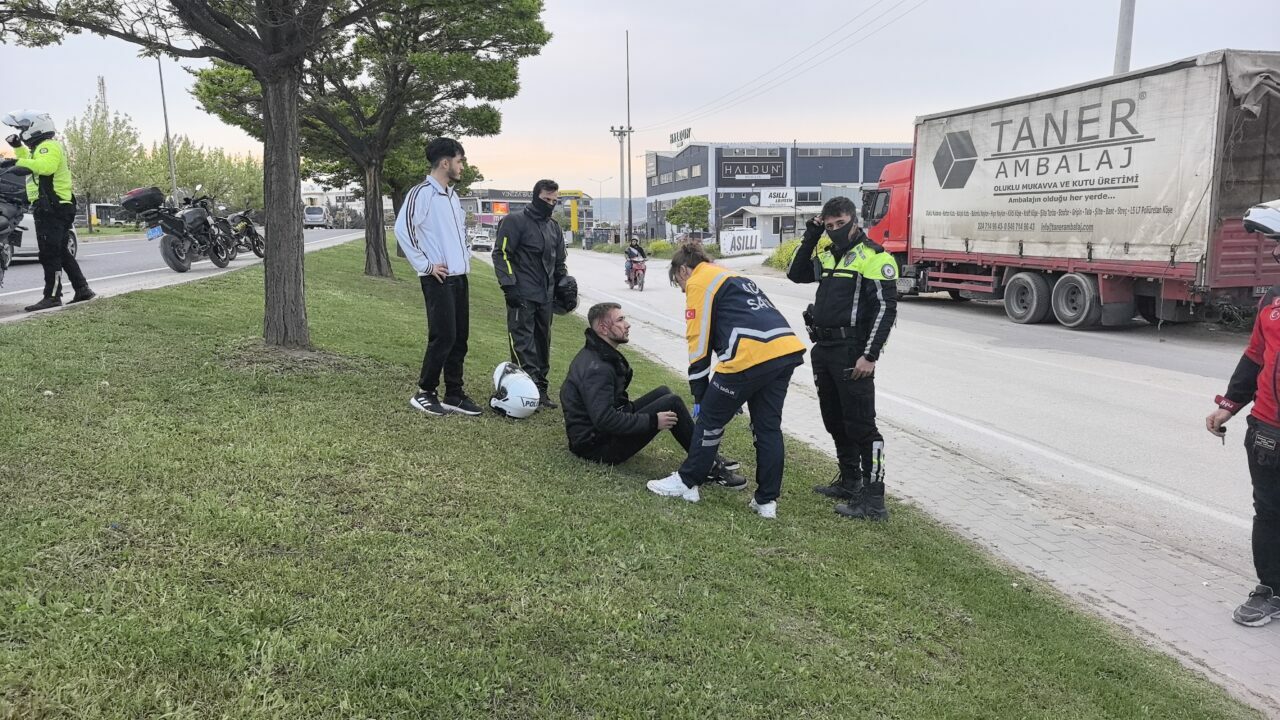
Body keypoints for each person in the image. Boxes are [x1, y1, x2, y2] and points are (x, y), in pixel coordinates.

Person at [647, 243, 806, 519]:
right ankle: (766, 502)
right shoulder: (730, 275)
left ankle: (687, 483)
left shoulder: (699, 281)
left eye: (679, 283)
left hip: (749, 354)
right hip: (784, 350)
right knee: (767, 428)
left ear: (684, 269)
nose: (682, 290)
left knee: (709, 419)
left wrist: (700, 393)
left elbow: (698, 340)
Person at [787, 196, 899, 521]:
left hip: (854, 353)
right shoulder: (826, 255)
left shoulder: (874, 257)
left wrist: (870, 355)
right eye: (830, 225)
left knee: (863, 427)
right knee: (835, 421)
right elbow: (795, 273)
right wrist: (812, 233)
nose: (836, 230)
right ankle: (850, 482)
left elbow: (885, 309)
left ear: (854, 221)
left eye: (841, 224)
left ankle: (874, 500)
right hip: (824, 350)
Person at [561, 301, 744, 486]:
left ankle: (708, 456)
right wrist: (653, 421)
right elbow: (604, 419)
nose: (627, 324)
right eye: (620, 320)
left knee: (663, 392)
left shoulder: (599, 354)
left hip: (599, 434)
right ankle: (708, 466)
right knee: (671, 402)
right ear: (603, 328)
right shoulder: (597, 368)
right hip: (595, 447)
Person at [1208, 283, 1280, 626]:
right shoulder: (1273, 297)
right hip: (1268, 428)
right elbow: (1256, 354)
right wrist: (1230, 405)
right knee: (1268, 512)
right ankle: (1272, 589)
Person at [394, 137, 481, 417]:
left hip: (459, 277)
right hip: (437, 278)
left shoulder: (452, 195)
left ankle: (454, 393)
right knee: (443, 337)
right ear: (445, 162)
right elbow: (403, 229)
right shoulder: (422, 193)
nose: (462, 166)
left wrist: (464, 259)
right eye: (459, 161)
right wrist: (427, 265)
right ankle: (425, 392)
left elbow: (458, 235)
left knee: (460, 338)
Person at [1, 110, 94, 312]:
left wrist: (18, 163)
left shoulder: (48, 147)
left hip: (52, 207)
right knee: (61, 251)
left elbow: (45, 167)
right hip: (57, 206)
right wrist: (18, 149)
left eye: (24, 128)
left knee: (49, 254)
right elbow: (34, 163)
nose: (23, 131)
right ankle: (82, 288)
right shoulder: (42, 148)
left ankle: (52, 296)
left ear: (36, 128)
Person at [493, 179, 568, 409]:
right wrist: (509, 286)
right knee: (522, 341)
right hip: (522, 293)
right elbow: (501, 253)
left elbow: (560, 260)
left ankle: (541, 390)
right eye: (546, 199)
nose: (550, 204)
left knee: (542, 342)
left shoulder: (553, 227)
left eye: (555, 201)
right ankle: (525, 388)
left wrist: (563, 285)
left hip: (546, 296)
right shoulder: (514, 221)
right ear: (536, 197)